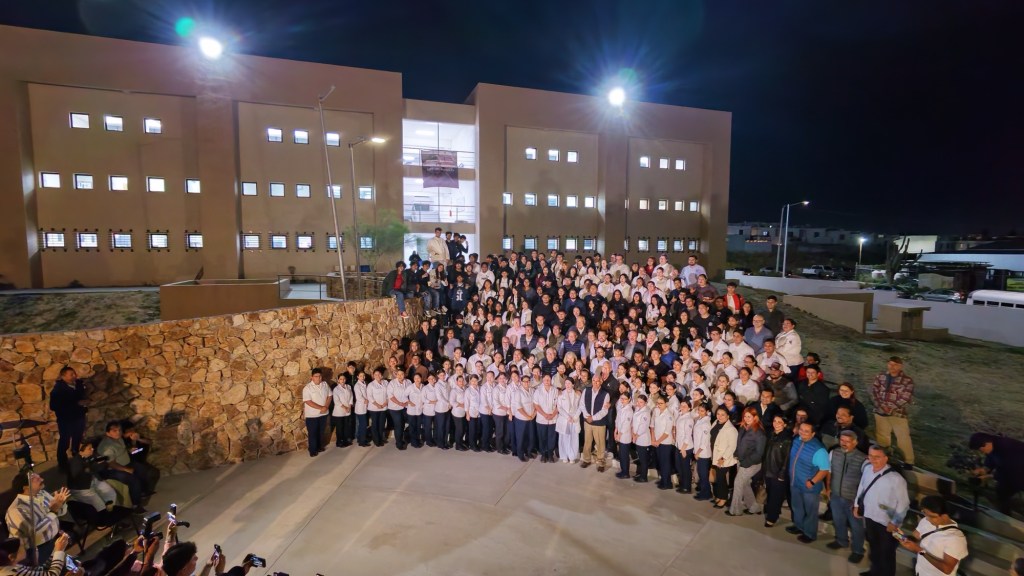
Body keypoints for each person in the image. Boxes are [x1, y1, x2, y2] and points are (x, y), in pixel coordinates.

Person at [854, 445, 910, 576]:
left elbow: (904, 503)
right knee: (874, 548)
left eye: (877, 457)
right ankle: (874, 572)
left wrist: (895, 522)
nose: (873, 459)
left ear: (885, 458)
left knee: (886, 553)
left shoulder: (896, 479)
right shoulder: (867, 469)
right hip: (870, 516)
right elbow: (862, 487)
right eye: (870, 456)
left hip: (886, 523)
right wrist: (857, 505)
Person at [4, 473, 69, 566]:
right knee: (54, 570)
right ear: (26, 487)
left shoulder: (42, 493)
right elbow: (34, 533)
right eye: (37, 479)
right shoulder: (16, 510)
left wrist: (61, 503)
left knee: (68, 567)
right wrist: (54, 511)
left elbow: (60, 512)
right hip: (37, 551)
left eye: (40, 477)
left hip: (54, 541)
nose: (42, 479)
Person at [896, 495, 968, 576]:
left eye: (932, 516)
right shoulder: (926, 520)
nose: (928, 519)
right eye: (925, 513)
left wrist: (919, 550)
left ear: (944, 515)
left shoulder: (956, 538)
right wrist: (901, 536)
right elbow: (915, 537)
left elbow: (947, 569)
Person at [826, 430, 868, 564]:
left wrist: (859, 502)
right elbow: (829, 471)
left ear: (855, 442)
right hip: (836, 494)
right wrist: (828, 488)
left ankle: (858, 550)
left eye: (847, 441)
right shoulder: (834, 453)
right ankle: (841, 540)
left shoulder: (863, 459)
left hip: (853, 499)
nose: (843, 443)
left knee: (857, 527)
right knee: (838, 520)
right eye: (842, 440)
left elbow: (865, 481)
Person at [787, 422, 830, 543]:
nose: (802, 433)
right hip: (795, 482)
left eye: (806, 431)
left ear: (813, 433)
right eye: (801, 429)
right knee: (797, 507)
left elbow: (824, 469)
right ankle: (799, 526)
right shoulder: (797, 441)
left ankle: (810, 534)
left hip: (809, 487)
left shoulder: (819, 449)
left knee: (810, 511)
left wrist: (812, 482)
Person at [870, 356, 915, 469]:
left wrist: (891, 408)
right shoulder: (880, 376)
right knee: (882, 436)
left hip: (898, 414)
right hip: (880, 412)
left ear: (900, 366)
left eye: (895, 365)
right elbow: (874, 391)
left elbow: (905, 397)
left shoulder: (907, 381)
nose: (892, 367)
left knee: (903, 438)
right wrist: (881, 405)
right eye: (890, 364)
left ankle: (908, 462)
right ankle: (885, 457)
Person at [969, 432, 1024, 515]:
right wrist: (984, 470)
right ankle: (1006, 517)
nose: (982, 452)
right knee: (1002, 492)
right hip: (1011, 474)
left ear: (987, 443)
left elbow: (1010, 471)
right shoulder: (992, 446)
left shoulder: (1007, 447)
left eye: (981, 449)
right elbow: (991, 460)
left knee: (1010, 486)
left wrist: (988, 477)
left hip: (1018, 472)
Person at [728, 406, 766, 516]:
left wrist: (746, 462)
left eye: (749, 416)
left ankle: (735, 510)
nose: (746, 418)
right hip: (741, 460)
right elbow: (739, 442)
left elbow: (759, 453)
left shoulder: (759, 433)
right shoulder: (743, 427)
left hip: (751, 464)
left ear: (755, 417)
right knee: (745, 485)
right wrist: (736, 453)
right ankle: (754, 507)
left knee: (738, 483)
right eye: (745, 416)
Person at [49, 366, 87, 470]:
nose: (74, 376)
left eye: (74, 373)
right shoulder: (58, 390)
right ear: (63, 376)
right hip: (66, 420)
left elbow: (81, 397)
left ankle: (76, 459)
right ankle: (62, 463)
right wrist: (76, 404)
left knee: (77, 439)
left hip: (79, 417)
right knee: (64, 441)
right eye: (71, 374)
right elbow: (53, 406)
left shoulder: (78, 385)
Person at [763, 414, 793, 528]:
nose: (776, 424)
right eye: (775, 421)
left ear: (785, 425)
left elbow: (787, 458)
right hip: (768, 469)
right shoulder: (771, 434)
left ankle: (772, 518)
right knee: (770, 493)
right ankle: (774, 511)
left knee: (776, 496)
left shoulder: (787, 439)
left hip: (778, 472)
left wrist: (782, 473)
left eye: (779, 422)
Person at [0, 532, 69, 576]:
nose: (25, 547)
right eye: (21, 546)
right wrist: (59, 551)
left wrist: (57, 548)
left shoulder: (12, 567)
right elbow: (52, 574)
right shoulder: (14, 574)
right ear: (11, 557)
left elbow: (42, 570)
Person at [580, 375, 611, 473]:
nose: (595, 383)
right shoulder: (586, 391)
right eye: (594, 380)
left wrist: (593, 418)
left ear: (601, 382)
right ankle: (586, 460)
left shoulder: (605, 394)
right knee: (587, 442)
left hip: (599, 423)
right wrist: (587, 416)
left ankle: (601, 463)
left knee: (600, 443)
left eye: (597, 381)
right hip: (587, 422)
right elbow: (582, 404)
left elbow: (604, 411)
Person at [710, 405, 738, 509]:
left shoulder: (731, 429)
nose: (720, 416)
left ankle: (724, 498)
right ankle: (718, 495)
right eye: (718, 414)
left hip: (723, 458)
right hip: (715, 455)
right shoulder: (716, 423)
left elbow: (732, 446)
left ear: (728, 416)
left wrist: (723, 458)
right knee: (717, 477)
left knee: (721, 478)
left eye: (723, 415)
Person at [301, 368, 330, 456]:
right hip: (312, 416)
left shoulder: (325, 384)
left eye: (320, 376)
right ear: (312, 377)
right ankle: (313, 450)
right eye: (316, 376)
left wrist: (326, 407)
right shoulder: (307, 388)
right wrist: (321, 407)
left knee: (321, 432)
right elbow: (308, 401)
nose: (318, 378)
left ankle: (319, 447)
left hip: (323, 414)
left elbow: (330, 396)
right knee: (313, 433)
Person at [651, 394, 676, 490]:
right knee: (660, 462)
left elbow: (667, 432)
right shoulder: (656, 411)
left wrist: (658, 441)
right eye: (657, 403)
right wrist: (653, 439)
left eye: (661, 403)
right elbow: (652, 425)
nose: (659, 405)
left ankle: (666, 483)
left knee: (665, 463)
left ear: (666, 404)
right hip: (657, 441)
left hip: (665, 442)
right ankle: (663, 480)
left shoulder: (669, 416)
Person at [556, 378, 582, 463]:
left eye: (569, 383)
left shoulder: (577, 395)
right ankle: (564, 456)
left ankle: (572, 457)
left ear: (573, 385)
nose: (567, 385)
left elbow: (580, 407)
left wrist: (575, 417)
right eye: (566, 383)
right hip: (564, 419)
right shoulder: (561, 395)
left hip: (574, 419)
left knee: (574, 438)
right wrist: (568, 417)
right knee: (564, 438)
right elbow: (559, 408)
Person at [692, 402, 713, 501]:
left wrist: (698, 452)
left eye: (702, 411)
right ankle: (704, 491)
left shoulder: (706, 423)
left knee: (703, 474)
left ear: (707, 412)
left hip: (703, 453)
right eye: (699, 410)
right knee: (701, 473)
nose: (700, 412)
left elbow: (705, 441)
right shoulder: (700, 420)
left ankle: (706, 493)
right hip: (698, 451)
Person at [631, 395, 652, 482]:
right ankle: (640, 474)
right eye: (638, 401)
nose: (639, 403)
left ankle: (644, 477)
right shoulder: (638, 409)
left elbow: (644, 426)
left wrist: (636, 435)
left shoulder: (646, 412)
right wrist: (633, 433)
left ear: (645, 403)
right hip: (637, 437)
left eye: (641, 402)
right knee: (640, 457)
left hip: (642, 438)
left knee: (643, 459)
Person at [613, 391, 634, 478]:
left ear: (629, 399)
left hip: (624, 436)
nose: (623, 400)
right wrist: (615, 430)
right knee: (621, 454)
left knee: (624, 455)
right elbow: (617, 420)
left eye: (625, 399)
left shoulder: (629, 410)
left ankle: (625, 473)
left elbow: (626, 424)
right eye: (621, 398)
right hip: (619, 433)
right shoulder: (622, 408)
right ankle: (623, 471)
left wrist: (619, 434)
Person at [331, 373, 354, 447]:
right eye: (341, 379)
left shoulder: (348, 387)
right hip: (339, 411)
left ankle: (345, 440)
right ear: (338, 380)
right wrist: (345, 408)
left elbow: (351, 397)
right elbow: (336, 401)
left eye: (344, 379)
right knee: (340, 428)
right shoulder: (336, 389)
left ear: (345, 379)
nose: (342, 380)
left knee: (346, 427)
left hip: (348, 410)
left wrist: (349, 406)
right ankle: (339, 442)